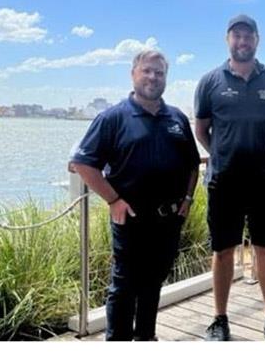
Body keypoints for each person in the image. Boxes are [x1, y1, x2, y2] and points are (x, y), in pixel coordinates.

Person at [70, 50, 200, 341]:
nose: (153, 77)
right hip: (131, 219)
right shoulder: (113, 117)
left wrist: (188, 200)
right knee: (124, 286)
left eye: (159, 72)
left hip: (169, 220)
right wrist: (113, 199)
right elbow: (82, 163)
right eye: (147, 71)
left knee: (154, 282)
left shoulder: (177, 118)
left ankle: (146, 338)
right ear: (134, 74)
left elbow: (193, 164)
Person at [194, 14, 265, 341]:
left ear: (257, 40)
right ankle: (219, 319)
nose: (242, 41)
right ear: (228, 40)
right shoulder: (209, 81)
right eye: (236, 36)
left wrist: (255, 148)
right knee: (222, 250)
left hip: (263, 178)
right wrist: (225, 151)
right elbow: (201, 130)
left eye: (248, 36)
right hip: (224, 180)